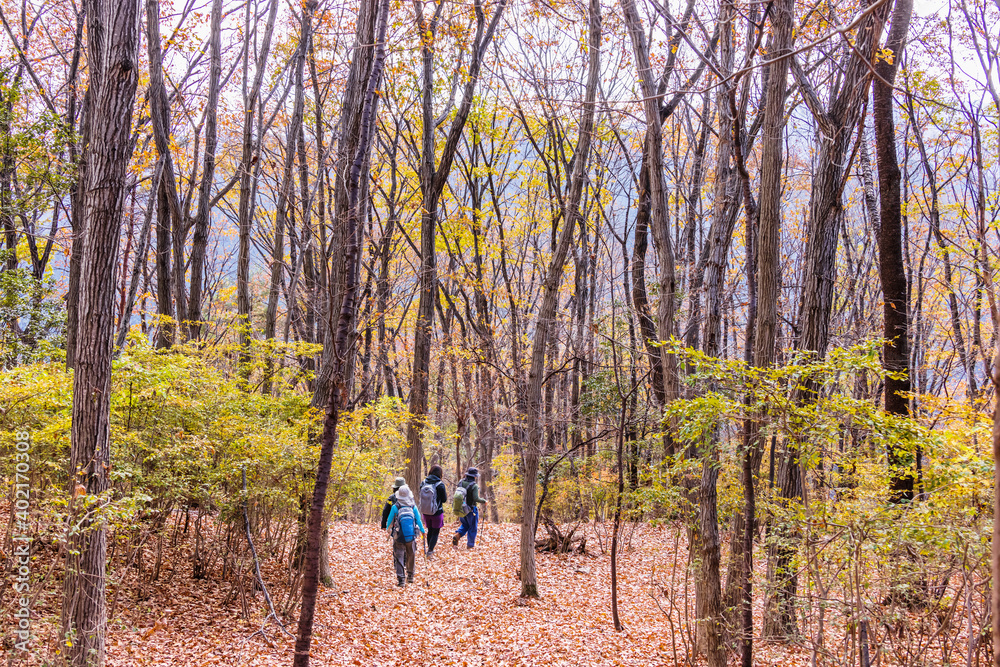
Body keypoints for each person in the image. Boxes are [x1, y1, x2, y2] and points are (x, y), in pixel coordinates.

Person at [385, 484, 426, 586]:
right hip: (411, 536)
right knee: (411, 554)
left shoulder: (395, 507)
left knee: (399, 555)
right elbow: (418, 520)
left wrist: (388, 530)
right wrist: (422, 531)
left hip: (398, 536)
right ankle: (410, 576)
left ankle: (401, 580)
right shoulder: (413, 507)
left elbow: (389, 521)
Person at [417, 465, 448, 558]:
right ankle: (430, 550)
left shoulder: (423, 483)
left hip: (425, 511)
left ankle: (429, 548)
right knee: (435, 531)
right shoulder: (440, 484)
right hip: (437, 512)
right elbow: (444, 499)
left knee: (430, 530)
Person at [452, 467, 487, 549]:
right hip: (471, 510)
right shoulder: (474, 486)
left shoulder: (461, 482)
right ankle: (470, 546)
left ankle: (457, 535)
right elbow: (476, 498)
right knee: (473, 527)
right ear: (474, 476)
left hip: (461, 508)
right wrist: (484, 501)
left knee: (465, 524)